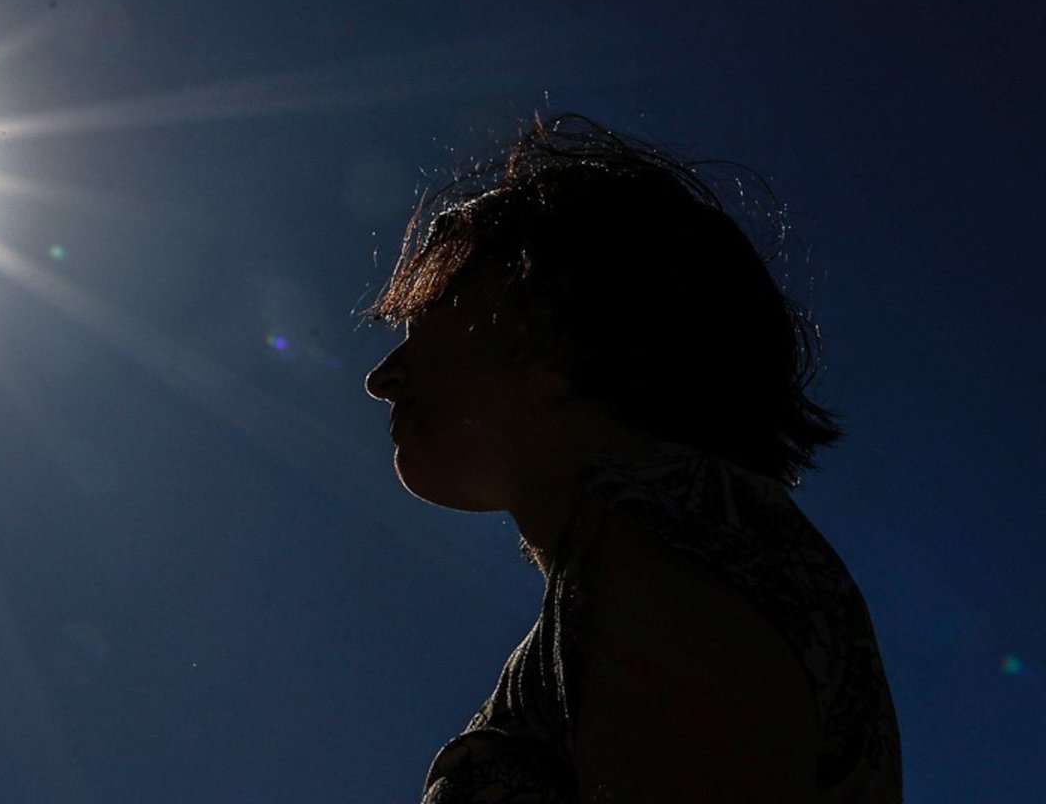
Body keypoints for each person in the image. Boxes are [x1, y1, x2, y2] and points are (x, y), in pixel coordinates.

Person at [362, 114, 902, 803]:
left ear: (546, 342)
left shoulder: (657, 552)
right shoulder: (676, 547)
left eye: (425, 328)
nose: (382, 378)